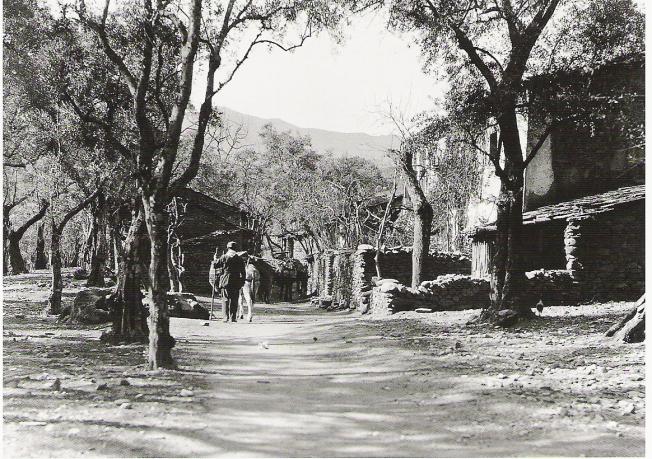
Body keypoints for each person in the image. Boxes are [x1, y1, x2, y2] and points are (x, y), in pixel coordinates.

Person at [213, 241, 246, 322]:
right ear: (235, 249)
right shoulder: (239, 258)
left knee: (225, 299)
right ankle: (233, 318)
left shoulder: (224, 257)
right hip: (236, 281)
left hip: (225, 281)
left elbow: (215, 265)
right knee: (234, 300)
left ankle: (225, 317)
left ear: (228, 248)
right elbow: (243, 272)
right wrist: (242, 282)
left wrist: (215, 259)